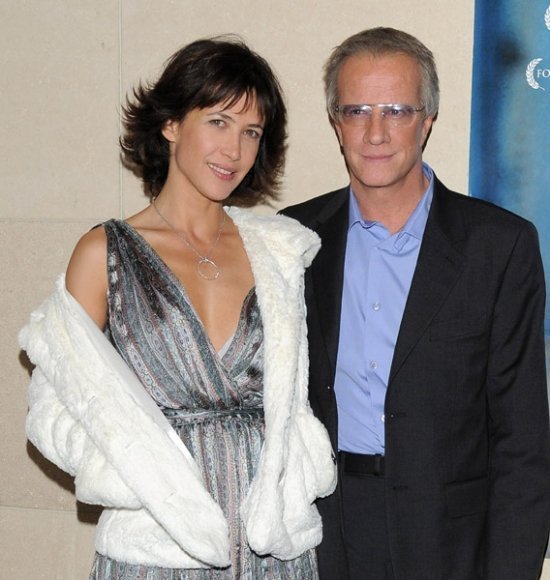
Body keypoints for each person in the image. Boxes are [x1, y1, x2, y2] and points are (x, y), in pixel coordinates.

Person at [20, 36, 336, 579]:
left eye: (251, 132)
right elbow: (53, 406)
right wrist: (137, 480)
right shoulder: (105, 254)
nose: (234, 150)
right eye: (218, 122)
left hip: (270, 548)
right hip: (159, 545)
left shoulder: (278, 255)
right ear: (170, 124)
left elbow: (297, 404)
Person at [282, 27, 550, 580]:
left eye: (397, 111)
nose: (375, 132)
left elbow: (523, 442)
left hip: (448, 541)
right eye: (357, 111)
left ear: (427, 120)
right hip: (322, 535)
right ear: (336, 122)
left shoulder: (498, 246)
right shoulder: (293, 239)